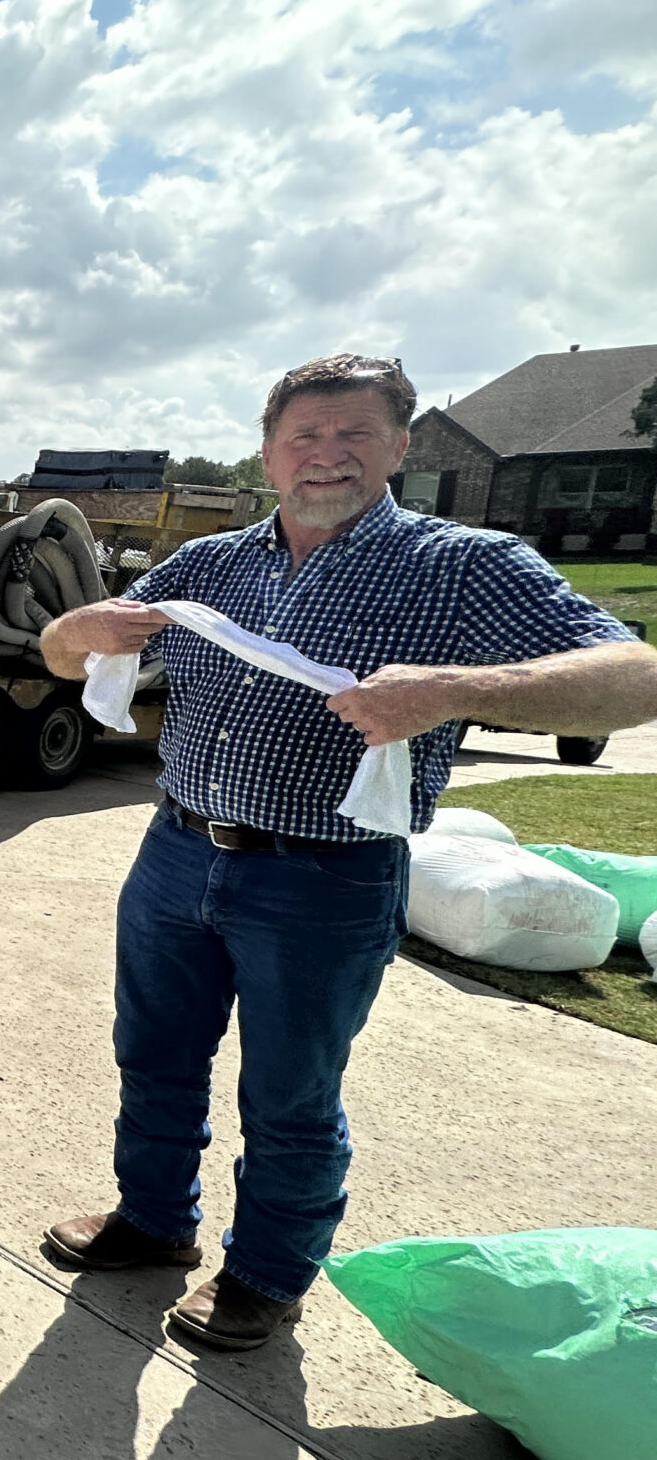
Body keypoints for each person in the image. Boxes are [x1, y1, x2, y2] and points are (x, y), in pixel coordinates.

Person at [38, 353, 657, 1351]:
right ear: (268, 452)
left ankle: (265, 1277)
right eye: (303, 436)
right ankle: (151, 1222)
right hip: (177, 854)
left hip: (322, 877)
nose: (325, 455)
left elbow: (634, 678)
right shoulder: (210, 566)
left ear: (399, 446)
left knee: (289, 1090)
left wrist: (456, 690)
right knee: (152, 1055)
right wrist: (82, 626)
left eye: (352, 434)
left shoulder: (461, 568)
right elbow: (62, 654)